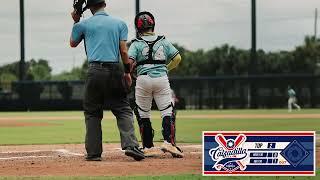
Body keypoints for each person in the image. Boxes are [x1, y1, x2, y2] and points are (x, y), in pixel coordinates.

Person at [70, 0, 144, 161]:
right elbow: (124, 51)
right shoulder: (119, 23)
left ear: (89, 8)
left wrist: (76, 21)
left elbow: (73, 43)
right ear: (104, 4)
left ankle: (94, 153)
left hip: (95, 70)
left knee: (92, 112)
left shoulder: (83, 25)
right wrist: (126, 72)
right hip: (115, 69)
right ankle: (131, 146)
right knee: (123, 109)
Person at [128, 11, 183, 158]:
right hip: (161, 80)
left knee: (143, 113)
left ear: (137, 28)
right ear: (153, 24)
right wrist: (166, 68)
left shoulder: (136, 43)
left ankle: (148, 146)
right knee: (167, 111)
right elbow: (177, 58)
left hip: (143, 79)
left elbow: (129, 62)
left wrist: (131, 72)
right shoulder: (163, 41)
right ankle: (168, 143)